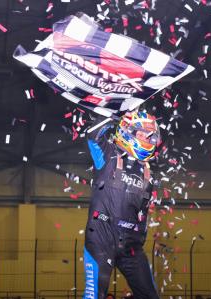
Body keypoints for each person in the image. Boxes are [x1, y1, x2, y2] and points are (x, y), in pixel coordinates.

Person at [82, 111, 161, 299]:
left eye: (149, 136)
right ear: (127, 132)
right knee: (95, 295)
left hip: (131, 245)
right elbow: (93, 134)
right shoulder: (108, 155)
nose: (146, 139)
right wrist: (114, 113)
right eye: (140, 134)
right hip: (101, 238)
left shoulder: (148, 172)